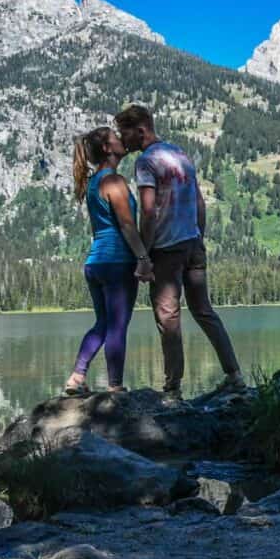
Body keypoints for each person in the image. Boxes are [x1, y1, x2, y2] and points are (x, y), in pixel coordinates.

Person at [114, 104, 244, 401]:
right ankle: (235, 376)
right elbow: (199, 202)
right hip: (193, 243)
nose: (125, 142)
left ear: (141, 130)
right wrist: (199, 237)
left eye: (126, 134)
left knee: (168, 317)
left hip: (166, 248)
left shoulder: (146, 162)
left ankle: (173, 390)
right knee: (204, 311)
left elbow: (148, 212)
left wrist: (144, 257)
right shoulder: (181, 155)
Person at [65, 127, 153, 395]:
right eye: (116, 137)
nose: (121, 139)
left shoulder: (93, 183)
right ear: (106, 148)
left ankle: (77, 378)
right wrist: (143, 258)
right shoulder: (113, 181)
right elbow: (127, 225)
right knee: (117, 326)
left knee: (102, 323)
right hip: (118, 263)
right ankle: (115, 387)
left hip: (95, 263)